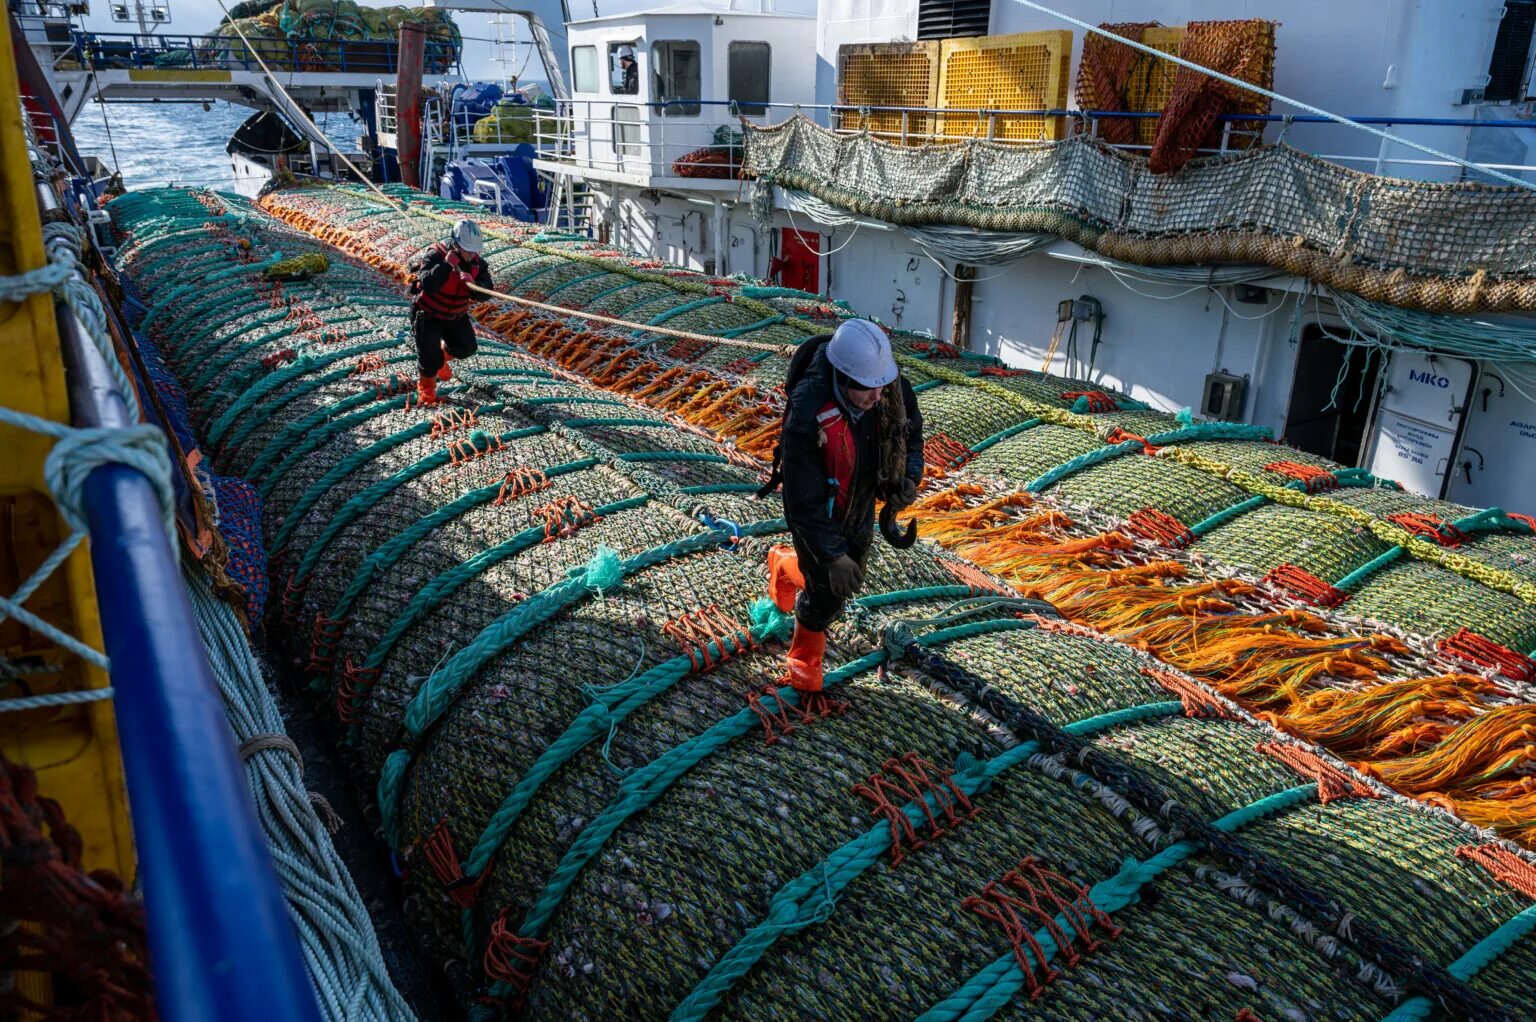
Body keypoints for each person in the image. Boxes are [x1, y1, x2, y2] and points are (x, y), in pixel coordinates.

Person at [763, 319, 924, 698]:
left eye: (881, 386)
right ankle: (804, 655)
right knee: (829, 586)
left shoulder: (887, 387)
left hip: (860, 495)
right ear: (842, 376)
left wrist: (909, 479)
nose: (876, 395)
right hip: (822, 504)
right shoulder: (808, 410)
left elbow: (912, 433)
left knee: (851, 577)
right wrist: (830, 554)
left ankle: (785, 567)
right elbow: (801, 501)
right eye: (867, 390)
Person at [407, 219, 492, 404]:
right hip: (428, 314)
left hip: (455, 316)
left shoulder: (478, 265)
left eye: (474, 251)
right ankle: (427, 390)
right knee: (428, 360)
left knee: (467, 348)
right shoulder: (435, 255)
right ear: (456, 244)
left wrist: (474, 285)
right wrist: (445, 266)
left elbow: (487, 292)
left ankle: (441, 358)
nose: (471, 254)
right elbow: (427, 284)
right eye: (467, 250)